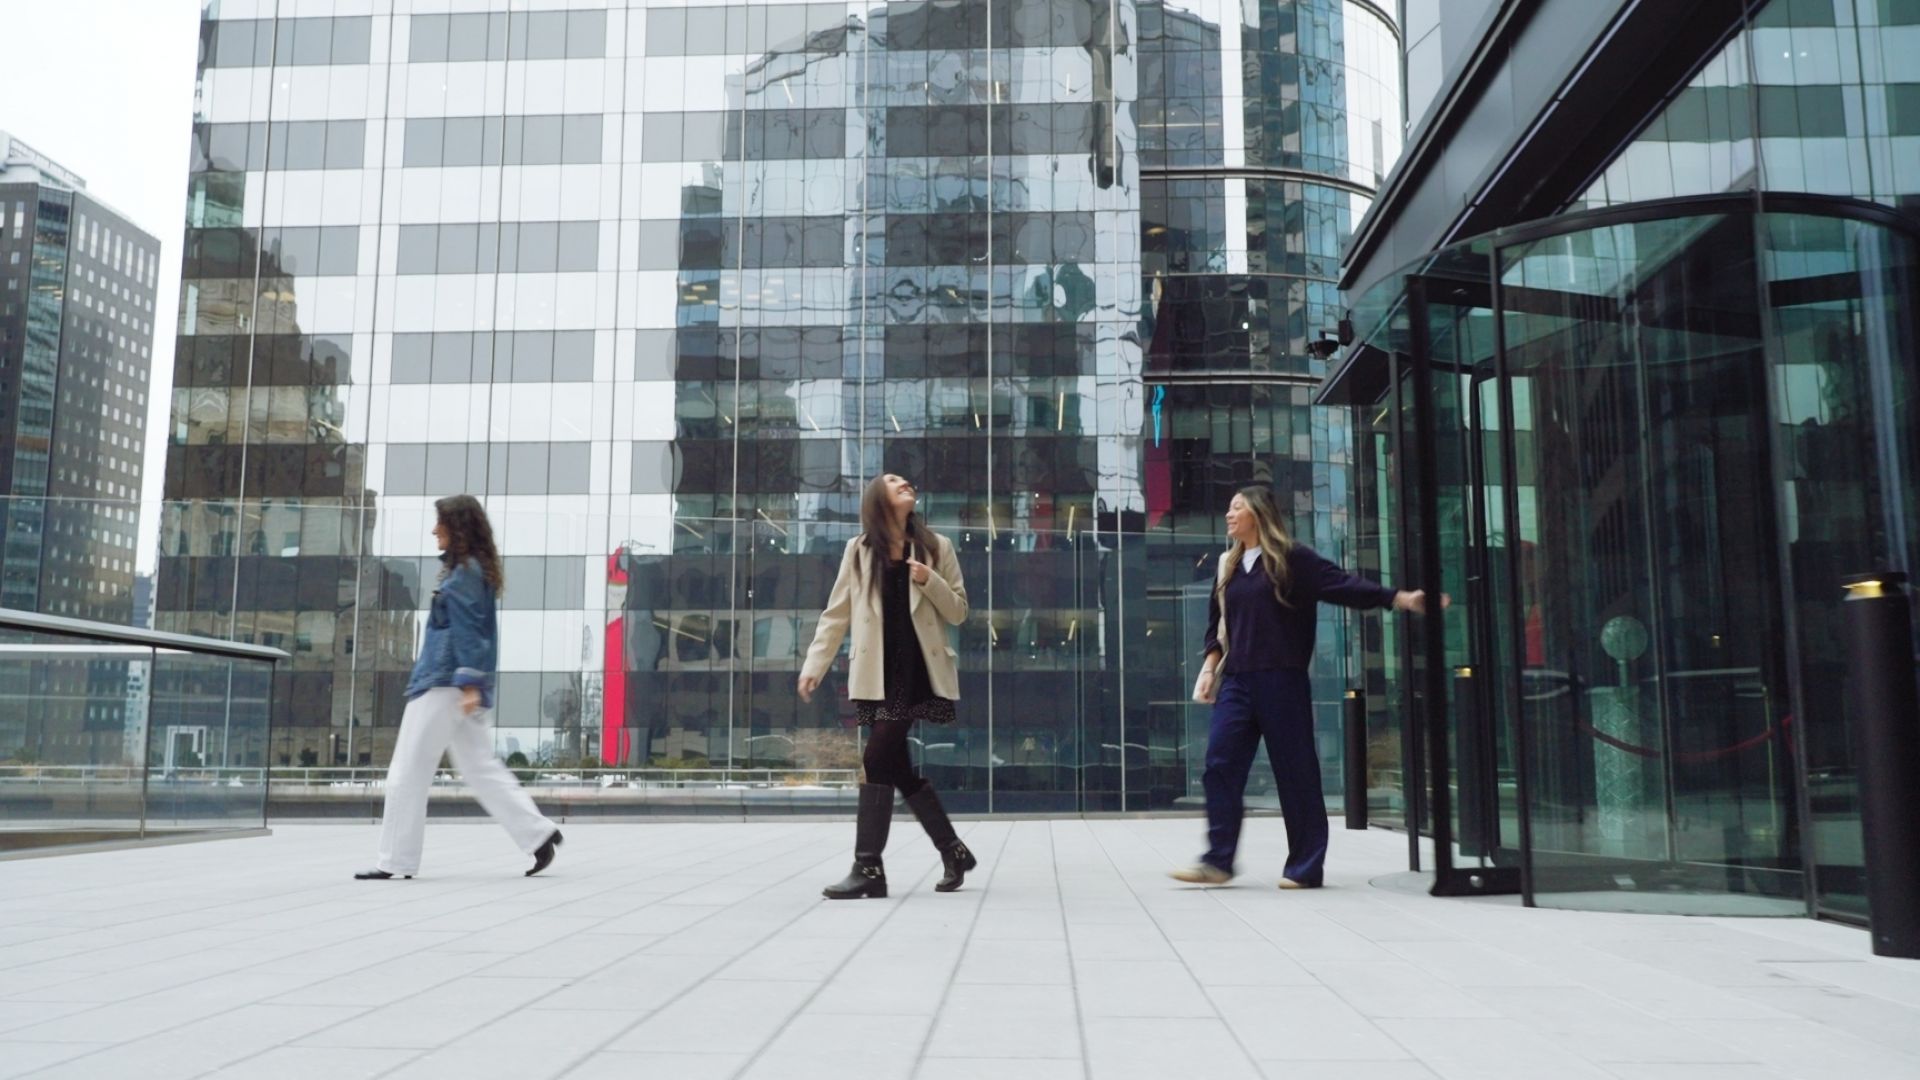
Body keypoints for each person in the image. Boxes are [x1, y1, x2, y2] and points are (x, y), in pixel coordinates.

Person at [1170, 485, 1437, 889]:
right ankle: (1217, 860)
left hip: (1282, 680)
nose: (1229, 514)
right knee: (1219, 766)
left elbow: (1344, 585)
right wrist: (1209, 670)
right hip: (1238, 681)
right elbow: (1216, 627)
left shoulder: (1293, 560)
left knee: (1296, 774)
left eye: (1237, 508)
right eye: (1229, 508)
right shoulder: (1228, 564)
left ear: (1258, 514)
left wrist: (1398, 598)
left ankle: (1305, 866)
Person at [356, 495, 563, 880]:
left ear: (458, 528)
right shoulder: (472, 571)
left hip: (443, 684)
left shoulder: (464, 574)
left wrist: (468, 683)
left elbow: (469, 631)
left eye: (440, 523)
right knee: (480, 767)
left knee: (406, 772)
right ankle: (538, 835)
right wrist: (474, 687)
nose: (434, 530)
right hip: (461, 687)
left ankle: (394, 861)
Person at [799, 473, 973, 899]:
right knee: (894, 767)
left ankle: (868, 868)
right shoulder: (858, 551)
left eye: (907, 481)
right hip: (875, 675)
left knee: (875, 759)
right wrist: (815, 664)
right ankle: (953, 850)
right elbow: (836, 614)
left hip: (918, 672)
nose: (906, 483)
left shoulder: (937, 548)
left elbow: (960, 613)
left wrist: (928, 580)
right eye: (894, 481)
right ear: (878, 499)